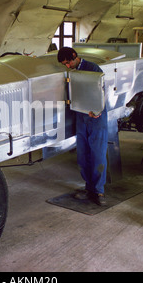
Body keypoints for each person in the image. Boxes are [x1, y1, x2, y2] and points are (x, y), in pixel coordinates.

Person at [57, 47, 108, 206]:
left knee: (97, 154)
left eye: (68, 62)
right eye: (64, 64)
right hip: (81, 117)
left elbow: (101, 93)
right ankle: (89, 187)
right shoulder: (71, 73)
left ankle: (99, 190)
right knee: (83, 154)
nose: (67, 66)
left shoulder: (93, 69)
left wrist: (97, 110)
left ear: (74, 57)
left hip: (95, 118)